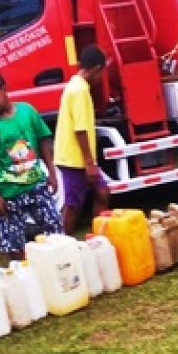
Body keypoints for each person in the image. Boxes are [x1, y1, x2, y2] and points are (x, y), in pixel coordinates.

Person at [0, 71, 62, 259]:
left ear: (3, 89)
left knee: (54, 230)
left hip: (37, 185)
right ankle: (22, 276)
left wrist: (52, 173)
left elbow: (43, 140)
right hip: (9, 196)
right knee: (14, 245)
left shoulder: (27, 111)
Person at [55, 45, 110, 235]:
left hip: (80, 159)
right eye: (102, 72)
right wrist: (89, 162)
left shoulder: (78, 86)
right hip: (74, 160)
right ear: (96, 69)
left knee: (102, 193)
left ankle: (97, 239)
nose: (102, 78)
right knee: (73, 205)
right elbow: (80, 129)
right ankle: (63, 246)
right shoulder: (79, 90)